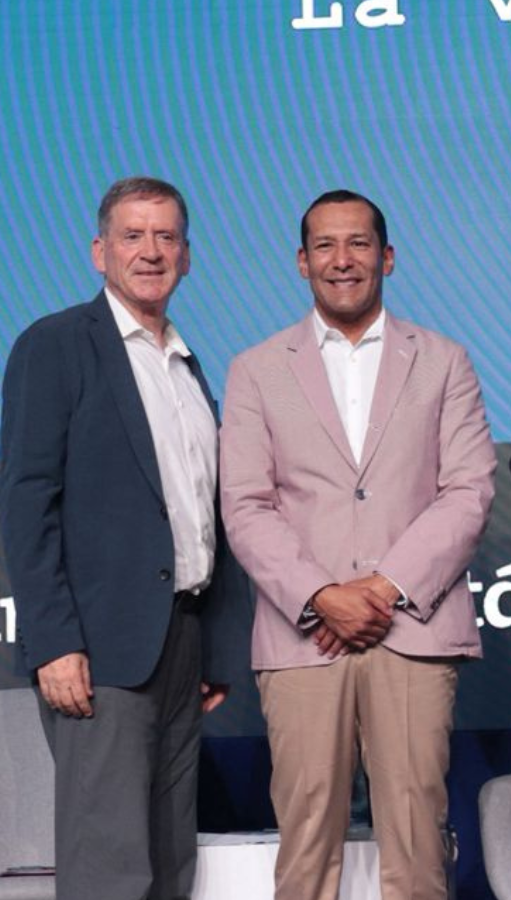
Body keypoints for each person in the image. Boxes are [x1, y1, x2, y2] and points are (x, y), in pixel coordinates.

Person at [220, 189, 496, 900]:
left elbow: (468, 490)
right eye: (325, 245)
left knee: (418, 839)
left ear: (387, 257)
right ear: (301, 261)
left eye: (359, 243)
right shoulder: (256, 368)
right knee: (307, 839)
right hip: (303, 638)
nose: (342, 260)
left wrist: (380, 589)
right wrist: (322, 596)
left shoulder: (444, 360)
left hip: (412, 630)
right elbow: (246, 504)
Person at [0, 176, 249, 900]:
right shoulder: (55, 345)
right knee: (110, 866)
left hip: (182, 641)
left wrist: (214, 647)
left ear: (187, 256)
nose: (151, 251)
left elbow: (203, 511)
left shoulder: (186, 364)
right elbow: (27, 503)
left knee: (170, 863)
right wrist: (54, 642)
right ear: (99, 251)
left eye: (166, 236)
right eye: (132, 236)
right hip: (100, 649)